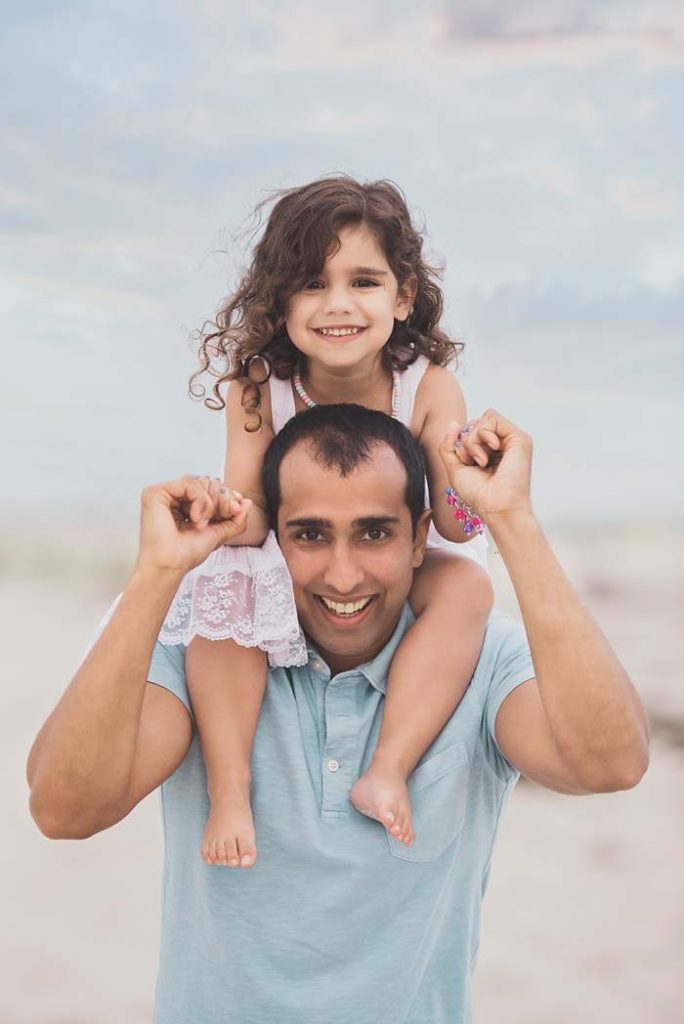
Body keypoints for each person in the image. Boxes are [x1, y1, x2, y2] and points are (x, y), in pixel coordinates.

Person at [27, 403, 648, 1024]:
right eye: (310, 535)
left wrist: (511, 518)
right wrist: (157, 575)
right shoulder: (205, 649)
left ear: (417, 539)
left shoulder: (482, 657)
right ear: (271, 538)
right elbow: (65, 808)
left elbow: (611, 764)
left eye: (375, 532)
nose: (343, 575)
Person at [158, 175, 493, 869]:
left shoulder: (428, 385)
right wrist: (219, 509)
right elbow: (253, 521)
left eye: (364, 282)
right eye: (311, 283)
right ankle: (229, 790)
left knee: (469, 588)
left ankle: (388, 767)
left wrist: (472, 481)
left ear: (402, 297)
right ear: (279, 302)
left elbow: (455, 529)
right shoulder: (259, 385)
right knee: (225, 590)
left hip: (402, 559)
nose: (337, 305)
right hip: (289, 554)